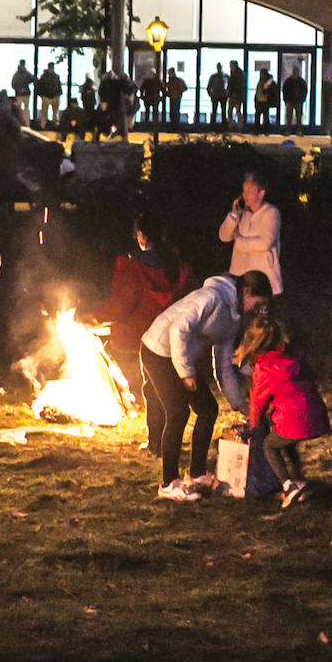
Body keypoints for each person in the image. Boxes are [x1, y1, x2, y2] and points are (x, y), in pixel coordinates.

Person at [139, 270, 274, 502]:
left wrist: (239, 403)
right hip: (159, 350)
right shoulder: (211, 297)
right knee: (178, 413)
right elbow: (178, 329)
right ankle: (168, 483)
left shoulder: (232, 319)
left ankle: (197, 473)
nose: (256, 310)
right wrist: (185, 373)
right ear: (247, 291)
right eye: (257, 303)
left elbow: (223, 366)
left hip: (183, 359)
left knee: (208, 409)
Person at [93, 216, 195, 453]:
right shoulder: (175, 263)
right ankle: (165, 439)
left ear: (141, 236)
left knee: (153, 389)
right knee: (166, 386)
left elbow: (122, 303)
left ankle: (157, 443)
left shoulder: (134, 267)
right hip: (175, 332)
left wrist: (96, 316)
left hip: (148, 335)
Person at [234, 316, 331, 509]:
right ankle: (299, 478)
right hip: (316, 415)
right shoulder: (294, 355)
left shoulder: (264, 367)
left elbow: (258, 400)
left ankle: (289, 485)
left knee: (269, 445)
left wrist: (253, 425)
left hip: (295, 419)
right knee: (286, 441)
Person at [219, 170, 282, 295]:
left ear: (261, 193)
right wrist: (233, 215)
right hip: (240, 277)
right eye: (244, 190)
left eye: (249, 191)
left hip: (263, 279)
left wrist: (239, 239)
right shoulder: (242, 213)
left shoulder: (271, 213)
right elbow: (224, 237)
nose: (244, 195)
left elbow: (264, 244)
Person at [282, 65, 308, 136]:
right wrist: (286, 100)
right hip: (290, 101)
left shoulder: (301, 82)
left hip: (298, 101)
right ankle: (288, 130)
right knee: (289, 116)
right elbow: (284, 91)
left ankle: (298, 130)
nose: (295, 73)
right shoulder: (289, 81)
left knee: (298, 117)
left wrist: (302, 100)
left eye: (296, 72)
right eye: (294, 72)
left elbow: (304, 91)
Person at [36, 62, 62, 130]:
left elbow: (39, 86)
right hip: (51, 96)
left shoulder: (44, 76)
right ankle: (53, 125)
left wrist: (41, 95)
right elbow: (58, 86)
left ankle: (43, 125)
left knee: (48, 113)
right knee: (52, 113)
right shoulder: (55, 76)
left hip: (49, 96)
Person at [252, 70, 278, 135]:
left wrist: (267, 93)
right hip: (259, 101)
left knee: (265, 116)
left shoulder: (268, 81)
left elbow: (271, 90)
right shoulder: (261, 81)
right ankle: (257, 130)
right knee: (258, 116)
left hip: (265, 101)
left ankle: (265, 130)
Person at [206, 63, 227, 127]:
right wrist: (210, 94)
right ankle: (214, 125)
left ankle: (222, 124)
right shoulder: (223, 76)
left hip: (222, 95)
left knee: (222, 111)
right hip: (216, 95)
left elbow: (229, 86)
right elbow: (208, 87)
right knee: (215, 111)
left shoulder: (224, 76)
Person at [227, 61, 247, 130]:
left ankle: (236, 125)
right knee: (234, 111)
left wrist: (233, 92)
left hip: (236, 96)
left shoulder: (238, 74)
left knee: (234, 111)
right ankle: (236, 125)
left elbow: (238, 85)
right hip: (235, 95)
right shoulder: (237, 73)